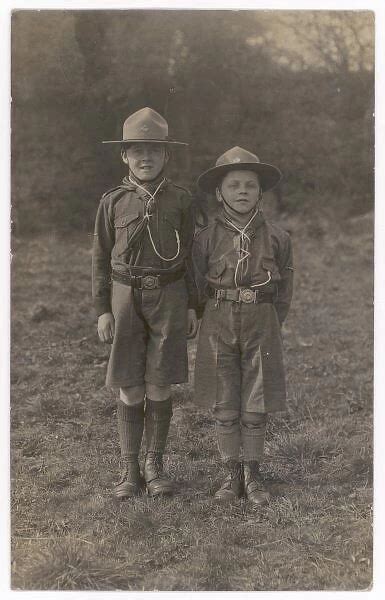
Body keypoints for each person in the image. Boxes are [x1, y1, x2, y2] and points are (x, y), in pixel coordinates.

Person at [92, 107, 198, 500]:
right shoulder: (113, 201)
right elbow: (100, 257)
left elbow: (191, 257)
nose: (146, 157)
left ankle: (156, 465)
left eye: (153, 149)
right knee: (128, 383)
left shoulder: (182, 201)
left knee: (159, 380)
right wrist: (102, 308)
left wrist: (193, 306)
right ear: (125, 156)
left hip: (170, 296)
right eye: (137, 150)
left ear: (166, 155)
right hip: (124, 296)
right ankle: (129, 467)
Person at [192, 146, 293, 505]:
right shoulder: (204, 238)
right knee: (224, 400)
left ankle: (253, 472)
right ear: (220, 192)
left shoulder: (279, 237)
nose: (242, 191)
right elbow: (197, 284)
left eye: (250, 185)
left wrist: (268, 318)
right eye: (233, 185)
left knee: (256, 398)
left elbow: (284, 291)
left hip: (261, 321)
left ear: (260, 192)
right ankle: (229, 472)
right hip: (218, 320)